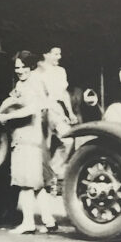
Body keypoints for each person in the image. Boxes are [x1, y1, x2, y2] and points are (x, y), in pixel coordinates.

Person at [0, 51, 61, 235]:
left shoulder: (33, 82)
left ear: (31, 66)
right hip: (31, 136)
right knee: (37, 182)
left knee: (25, 182)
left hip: (27, 137)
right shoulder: (23, 83)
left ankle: (28, 223)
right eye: (17, 67)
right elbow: (12, 100)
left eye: (23, 66)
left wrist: (8, 116)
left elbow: (33, 108)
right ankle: (49, 221)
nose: (20, 70)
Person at [35, 45, 76, 184]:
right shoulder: (37, 72)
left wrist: (69, 112)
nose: (59, 57)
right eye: (55, 54)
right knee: (44, 146)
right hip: (42, 110)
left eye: (60, 54)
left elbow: (64, 93)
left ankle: (53, 169)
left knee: (68, 139)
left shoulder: (61, 71)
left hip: (57, 109)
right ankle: (44, 179)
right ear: (46, 54)